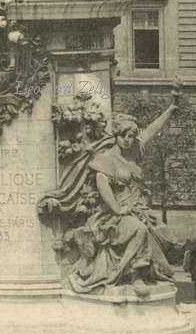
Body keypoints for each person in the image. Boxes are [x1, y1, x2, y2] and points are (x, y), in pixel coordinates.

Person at [39, 95, 181, 297]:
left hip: (137, 210)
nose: (129, 140)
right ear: (116, 135)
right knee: (138, 229)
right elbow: (102, 185)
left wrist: (171, 108)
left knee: (163, 234)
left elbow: (151, 130)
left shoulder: (133, 151)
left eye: (132, 136)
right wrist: (118, 209)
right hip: (112, 214)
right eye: (124, 136)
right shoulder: (105, 159)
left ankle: (143, 272)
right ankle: (135, 276)